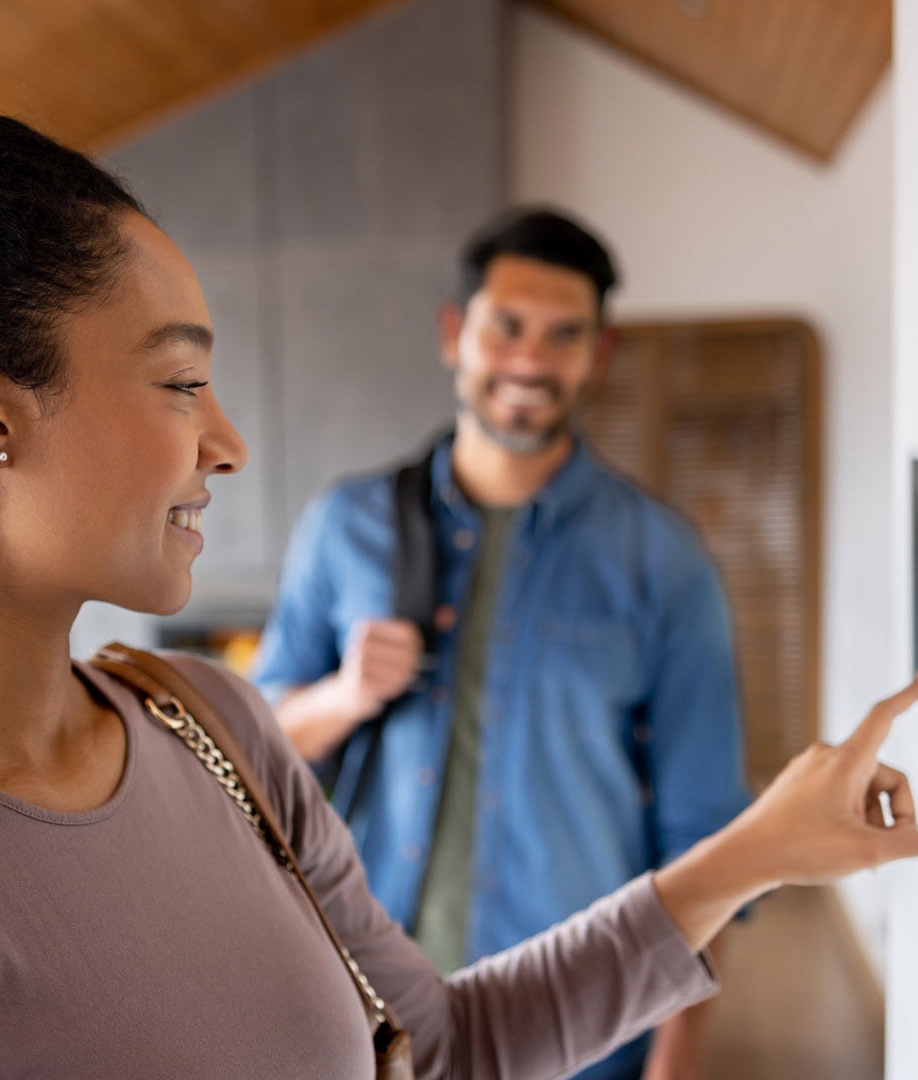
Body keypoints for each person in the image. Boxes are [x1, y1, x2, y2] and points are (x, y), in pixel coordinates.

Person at [0, 42, 918, 1079]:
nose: (229, 440)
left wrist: (759, 849)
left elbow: (451, 1045)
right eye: (180, 378)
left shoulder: (214, 727)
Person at [253, 208, 748, 1080]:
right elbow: (253, 757)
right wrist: (346, 695)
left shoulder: (664, 561)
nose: (528, 360)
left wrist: (677, 1064)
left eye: (564, 336)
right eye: (506, 327)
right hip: (366, 1016)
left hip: (585, 1034)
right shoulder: (345, 526)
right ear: (456, 333)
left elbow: (705, 839)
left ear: (598, 356)